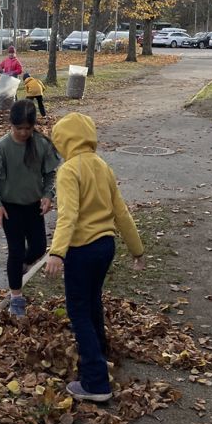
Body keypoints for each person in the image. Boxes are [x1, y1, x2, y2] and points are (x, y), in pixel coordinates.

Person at [45, 112, 145, 403]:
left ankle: (95, 382)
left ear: (63, 141)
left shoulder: (69, 170)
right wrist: (137, 250)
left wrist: (57, 252)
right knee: (92, 302)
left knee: (78, 312)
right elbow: (121, 213)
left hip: (82, 250)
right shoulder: (102, 166)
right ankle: (100, 355)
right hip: (105, 247)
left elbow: (68, 216)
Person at [0, 99, 60, 317]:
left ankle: (22, 266)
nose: (24, 133)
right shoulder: (1, 148)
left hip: (34, 207)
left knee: (38, 247)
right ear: (11, 125)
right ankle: (16, 297)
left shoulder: (41, 144)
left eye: (28, 128)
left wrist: (47, 195)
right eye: (19, 128)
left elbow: (50, 174)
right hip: (11, 209)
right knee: (15, 251)